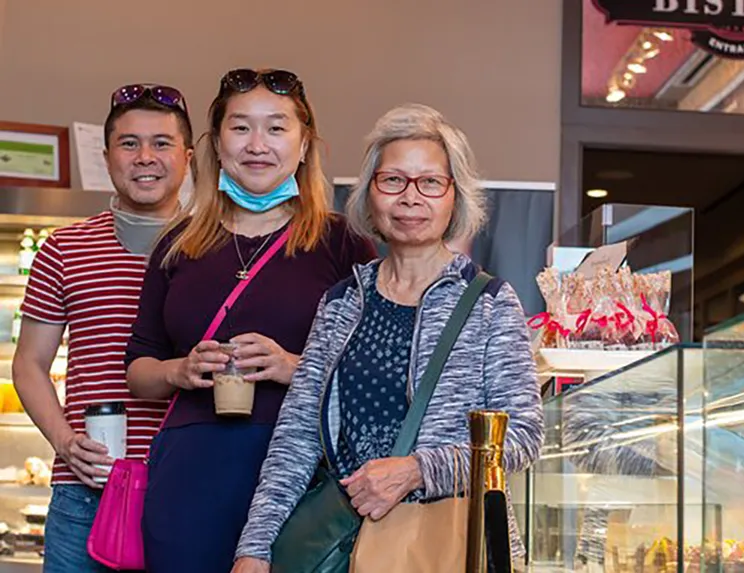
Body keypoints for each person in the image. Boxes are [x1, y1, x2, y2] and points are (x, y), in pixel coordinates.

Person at [231, 103, 544, 572]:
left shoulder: (490, 303)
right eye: (393, 180)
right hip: (345, 543)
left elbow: (521, 436)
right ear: (370, 196)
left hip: (449, 541)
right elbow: (295, 437)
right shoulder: (341, 303)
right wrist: (254, 547)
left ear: (454, 197)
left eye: (430, 182)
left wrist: (416, 471)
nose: (410, 198)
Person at [123, 68, 377, 572]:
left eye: (277, 128)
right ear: (216, 143)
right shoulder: (177, 245)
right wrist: (179, 370)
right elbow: (138, 370)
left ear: (305, 146)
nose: (257, 144)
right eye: (241, 128)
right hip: (190, 477)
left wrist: (293, 366)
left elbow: (376, 378)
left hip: (303, 478)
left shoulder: (343, 245)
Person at [12, 83, 194, 573]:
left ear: (189, 156)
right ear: (108, 155)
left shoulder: (215, 250)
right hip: (85, 490)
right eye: (129, 143)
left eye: (162, 143)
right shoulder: (64, 248)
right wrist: (65, 441)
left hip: (187, 487)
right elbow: (28, 364)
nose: (145, 157)